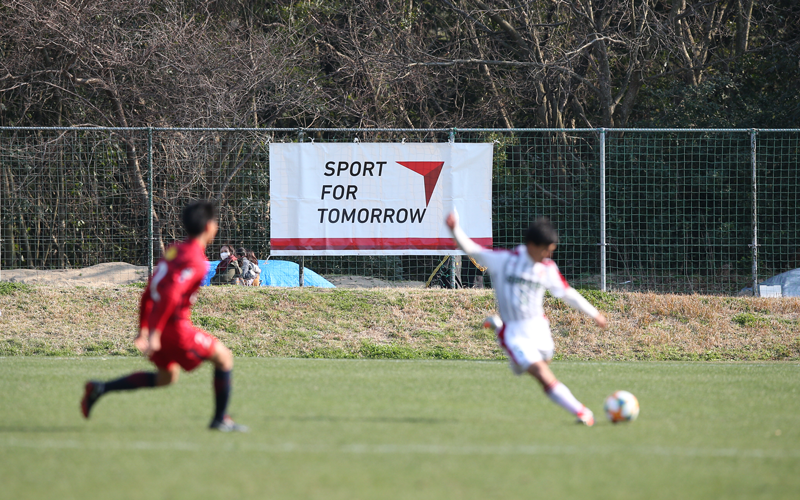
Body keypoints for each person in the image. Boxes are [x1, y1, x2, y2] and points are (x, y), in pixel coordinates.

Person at [80, 201, 247, 432]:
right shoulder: (196, 261)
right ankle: (220, 420)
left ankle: (101, 388)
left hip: (159, 323)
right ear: (209, 227)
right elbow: (169, 294)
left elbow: (150, 290)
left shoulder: (174, 251)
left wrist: (144, 329)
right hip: (175, 328)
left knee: (166, 377)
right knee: (224, 357)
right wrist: (155, 334)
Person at [446, 211, 607, 426]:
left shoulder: (547, 268)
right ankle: (581, 411)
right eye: (545, 250)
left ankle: (498, 329)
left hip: (539, 328)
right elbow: (472, 249)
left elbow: (567, 293)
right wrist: (454, 229)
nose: (547, 256)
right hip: (516, 332)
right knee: (541, 372)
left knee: (540, 362)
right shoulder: (504, 261)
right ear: (531, 245)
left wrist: (594, 313)